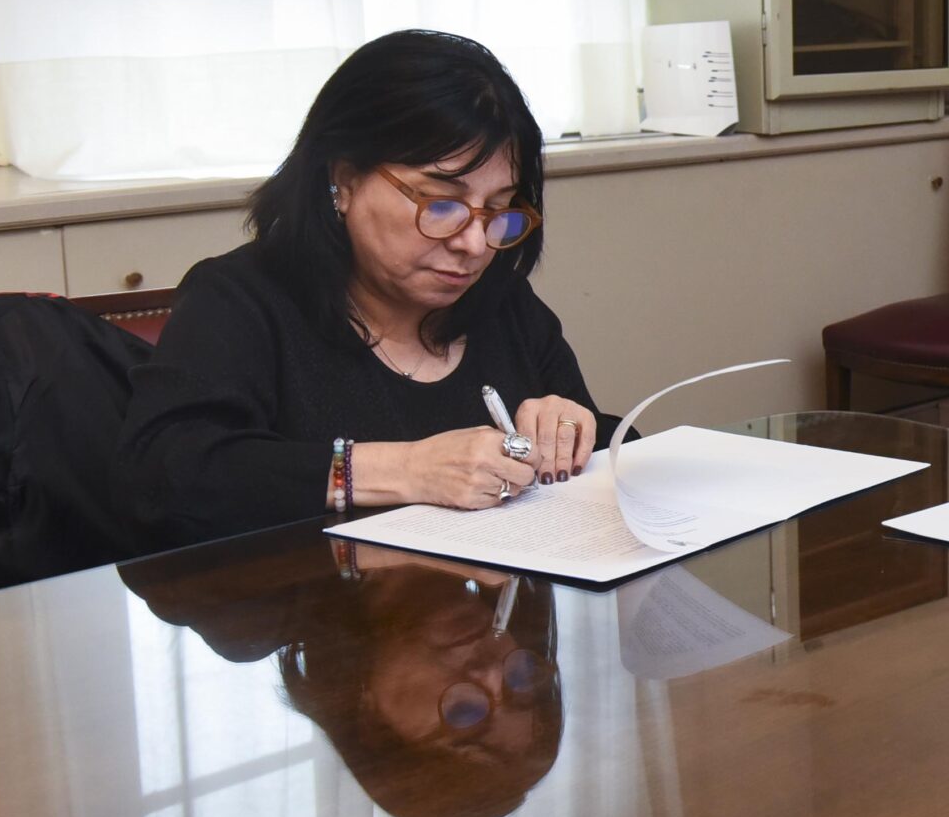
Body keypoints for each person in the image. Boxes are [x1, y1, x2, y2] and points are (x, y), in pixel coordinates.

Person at [123, 30, 605, 548]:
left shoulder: (501, 302)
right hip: (310, 597)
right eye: (441, 204)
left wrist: (574, 432)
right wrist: (404, 469)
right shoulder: (239, 300)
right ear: (345, 181)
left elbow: (611, 449)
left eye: (497, 209)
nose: (473, 244)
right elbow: (166, 476)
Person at [124, 543, 564, 817]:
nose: (492, 673)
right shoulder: (510, 536)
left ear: (372, 720)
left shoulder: (246, 616)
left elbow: (146, 524)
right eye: (521, 680)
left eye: (464, 714)